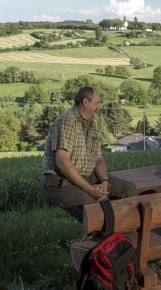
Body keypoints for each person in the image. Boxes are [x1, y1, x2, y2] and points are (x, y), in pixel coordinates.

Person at [42, 86, 125, 222]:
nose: (99, 106)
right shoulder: (67, 121)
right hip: (61, 181)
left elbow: (98, 159)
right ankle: (108, 239)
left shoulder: (90, 123)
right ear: (85, 102)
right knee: (96, 211)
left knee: (128, 190)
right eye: (97, 102)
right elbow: (63, 163)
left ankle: (124, 235)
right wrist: (92, 190)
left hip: (86, 176)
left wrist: (104, 182)